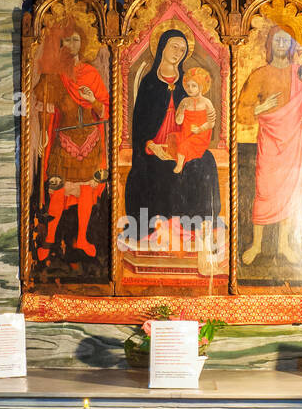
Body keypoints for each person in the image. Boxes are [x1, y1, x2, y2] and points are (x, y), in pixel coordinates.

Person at [124, 28, 220, 244]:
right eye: (174, 46)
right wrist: (152, 146)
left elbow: (199, 117)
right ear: (162, 47)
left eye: (183, 49)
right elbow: (139, 127)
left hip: (182, 144)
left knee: (205, 162)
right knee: (154, 167)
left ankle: (193, 226)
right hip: (155, 147)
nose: (178, 52)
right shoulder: (149, 84)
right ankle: (158, 227)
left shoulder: (188, 86)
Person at [236, 24, 302, 266]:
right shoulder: (260, 74)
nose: (281, 44)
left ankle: (283, 245)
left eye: (286, 40)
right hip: (270, 141)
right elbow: (241, 110)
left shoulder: (301, 73)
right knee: (265, 190)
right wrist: (262, 108)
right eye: (277, 40)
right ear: (270, 44)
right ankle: (256, 245)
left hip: (294, 140)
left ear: (291, 45)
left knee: (290, 192)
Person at [32, 21, 109, 260]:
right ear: (61, 42)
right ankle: (50, 238)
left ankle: (82, 238)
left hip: (90, 139)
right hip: (63, 138)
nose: (72, 44)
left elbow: (106, 109)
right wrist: (44, 131)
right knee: (57, 189)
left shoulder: (91, 73)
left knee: (86, 190)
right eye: (68, 40)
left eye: (77, 40)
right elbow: (44, 102)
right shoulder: (56, 73)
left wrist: (93, 99)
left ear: (82, 43)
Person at [160, 65, 216, 174]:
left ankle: (180, 165)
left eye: (194, 86)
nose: (190, 89)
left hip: (200, 135)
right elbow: (178, 121)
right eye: (188, 86)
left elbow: (211, 123)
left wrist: (199, 129)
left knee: (184, 145)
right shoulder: (185, 101)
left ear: (200, 87)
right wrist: (182, 110)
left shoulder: (206, 102)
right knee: (172, 138)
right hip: (185, 133)